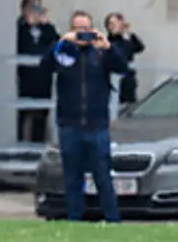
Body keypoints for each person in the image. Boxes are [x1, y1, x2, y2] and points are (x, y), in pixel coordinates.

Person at [51, 11, 122, 223]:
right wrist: (61, 43)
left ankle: (112, 220)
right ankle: (75, 220)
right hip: (70, 125)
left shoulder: (100, 54)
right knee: (72, 178)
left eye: (86, 29)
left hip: (96, 126)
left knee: (103, 177)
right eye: (77, 29)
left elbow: (123, 67)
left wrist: (109, 47)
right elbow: (45, 66)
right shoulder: (65, 54)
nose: (82, 34)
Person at [17, 0, 58, 144]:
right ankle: (20, 144)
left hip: (42, 78)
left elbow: (56, 42)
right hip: (25, 78)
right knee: (22, 114)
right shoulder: (19, 27)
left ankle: (38, 145)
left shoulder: (46, 28)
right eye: (32, 7)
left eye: (38, 7)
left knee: (41, 115)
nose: (36, 11)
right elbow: (18, 44)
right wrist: (27, 24)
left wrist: (46, 25)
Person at [103, 14, 146, 108]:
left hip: (128, 82)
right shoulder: (108, 42)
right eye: (110, 24)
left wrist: (129, 33)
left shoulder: (125, 40)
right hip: (114, 81)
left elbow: (139, 47)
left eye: (116, 23)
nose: (113, 26)